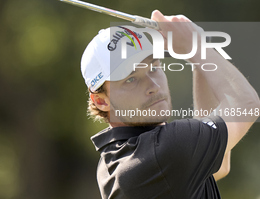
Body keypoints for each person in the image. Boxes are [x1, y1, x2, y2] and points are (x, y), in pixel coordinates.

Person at [80, 10, 260, 199]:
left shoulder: (115, 158)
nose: (154, 86)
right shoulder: (162, 152)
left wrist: (197, 55)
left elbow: (218, 165)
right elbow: (245, 104)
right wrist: (197, 46)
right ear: (101, 101)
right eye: (131, 79)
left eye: (154, 68)